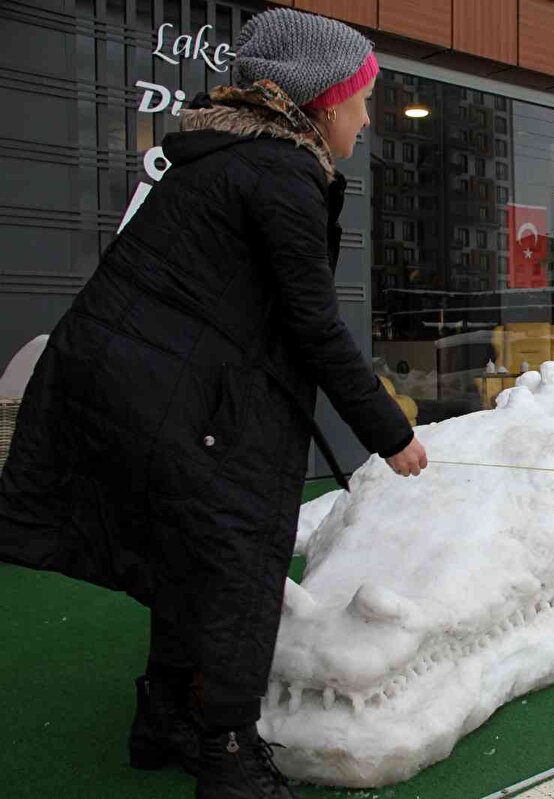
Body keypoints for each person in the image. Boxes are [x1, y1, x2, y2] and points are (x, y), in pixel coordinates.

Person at [0, 9, 426, 798]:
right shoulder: (278, 172)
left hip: (136, 379)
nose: (367, 119)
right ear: (325, 100)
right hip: (165, 387)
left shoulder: (230, 156)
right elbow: (314, 325)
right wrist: (390, 430)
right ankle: (229, 755)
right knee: (240, 552)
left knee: (186, 550)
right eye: (363, 99)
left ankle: (165, 717)